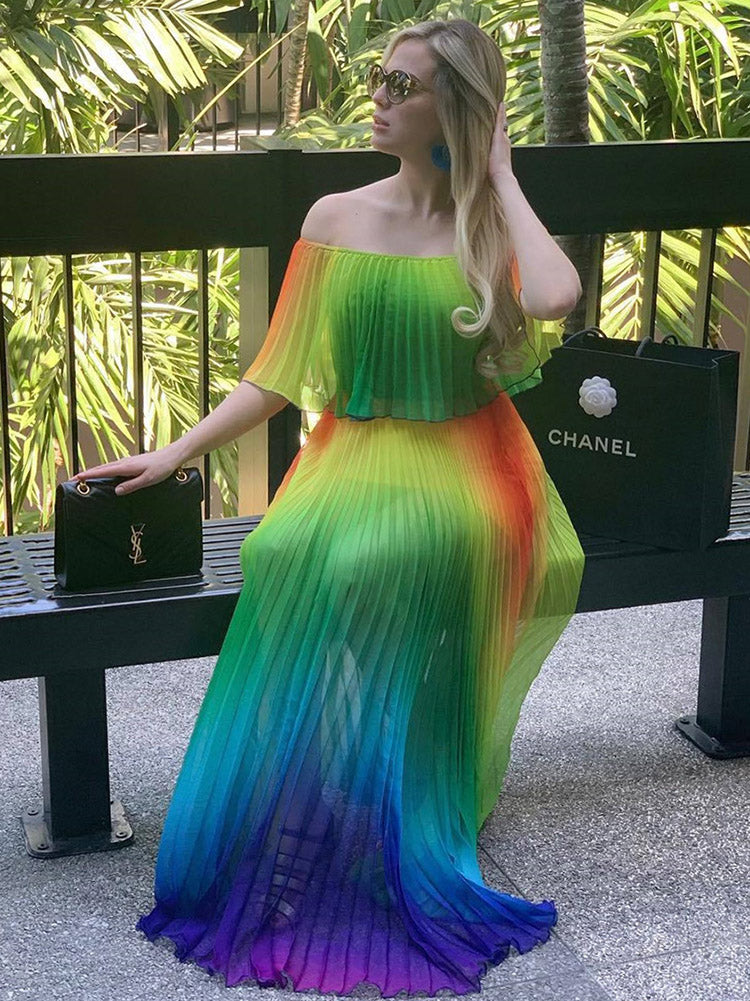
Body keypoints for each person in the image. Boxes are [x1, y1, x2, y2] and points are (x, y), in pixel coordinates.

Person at [73, 17, 585, 996]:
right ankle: (336, 780)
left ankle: (395, 791)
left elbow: (557, 294)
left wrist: (501, 174)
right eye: (379, 78)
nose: (379, 98)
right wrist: (180, 449)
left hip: (464, 458)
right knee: (281, 554)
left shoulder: (486, 226)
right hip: (349, 449)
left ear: (457, 109)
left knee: (374, 560)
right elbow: (276, 374)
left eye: (404, 85)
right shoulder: (334, 218)